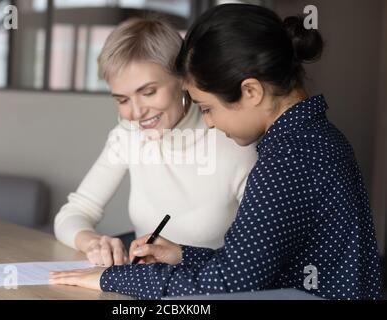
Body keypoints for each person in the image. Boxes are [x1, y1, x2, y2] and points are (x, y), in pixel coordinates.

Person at [49, 4, 382, 300]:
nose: (208, 122)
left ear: (250, 91)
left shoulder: (287, 158)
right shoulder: (308, 139)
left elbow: (228, 284)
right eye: (121, 99)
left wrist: (114, 278)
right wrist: (182, 254)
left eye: (207, 108)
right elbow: (248, 269)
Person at [53, 17, 257, 267]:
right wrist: (93, 242)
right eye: (122, 100)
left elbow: (254, 259)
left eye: (148, 92)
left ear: (182, 78)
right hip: (146, 290)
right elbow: (74, 213)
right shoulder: (127, 134)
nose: (136, 113)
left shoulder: (234, 140)